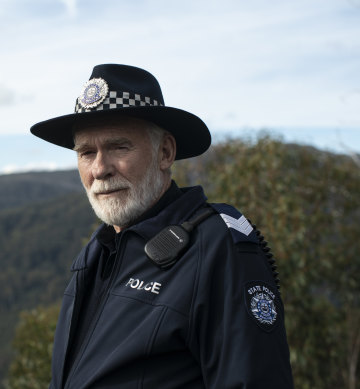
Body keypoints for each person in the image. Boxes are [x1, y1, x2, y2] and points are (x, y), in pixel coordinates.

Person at [30, 64, 294, 388]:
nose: (99, 169)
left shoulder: (215, 248)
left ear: (165, 152)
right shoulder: (95, 253)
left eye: (118, 146)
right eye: (86, 152)